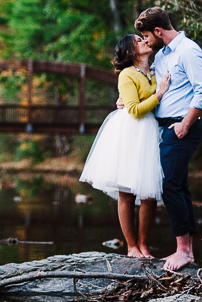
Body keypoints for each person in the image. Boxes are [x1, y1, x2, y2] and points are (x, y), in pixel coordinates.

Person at [120, 7, 202, 271]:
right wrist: (125, 100)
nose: (146, 41)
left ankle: (183, 251)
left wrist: (185, 124)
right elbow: (147, 87)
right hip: (162, 128)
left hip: (181, 127)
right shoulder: (161, 57)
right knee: (179, 186)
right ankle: (187, 249)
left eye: (147, 36)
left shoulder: (188, 51)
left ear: (159, 31)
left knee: (170, 186)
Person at [80, 34, 170, 258]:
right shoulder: (127, 75)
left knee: (150, 194)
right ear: (131, 52)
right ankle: (131, 247)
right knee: (127, 192)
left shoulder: (158, 70)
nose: (144, 41)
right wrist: (159, 93)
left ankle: (144, 245)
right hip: (130, 132)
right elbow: (134, 109)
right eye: (139, 41)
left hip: (151, 132)